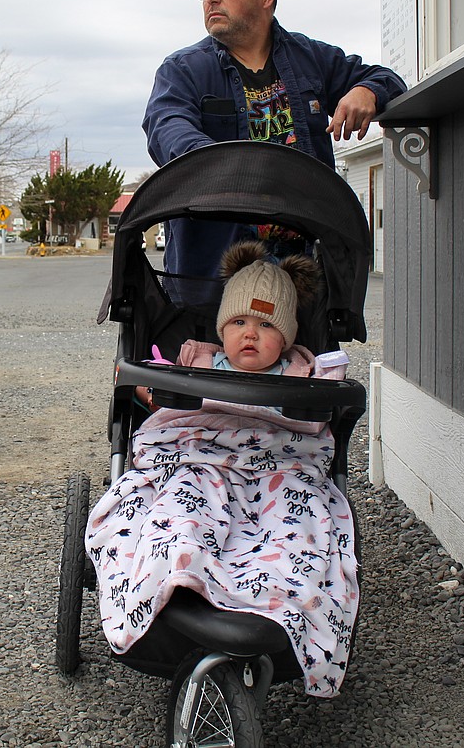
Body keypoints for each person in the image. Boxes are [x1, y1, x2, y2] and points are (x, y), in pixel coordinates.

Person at [87, 241, 357, 697]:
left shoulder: (300, 371)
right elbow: (159, 403)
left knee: (297, 525)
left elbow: (319, 417)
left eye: (266, 324)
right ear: (221, 326)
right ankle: (178, 572)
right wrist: (145, 392)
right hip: (196, 458)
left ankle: (279, 596)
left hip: (279, 466)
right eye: (238, 322)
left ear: (289, 336)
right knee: (182, 509)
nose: (249, 334)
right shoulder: (197, 359)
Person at [143, 0, 407, 279]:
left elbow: (387, 78)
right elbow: (166, 126)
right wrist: (224, 164)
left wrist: (366, 90)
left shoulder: (310, 58)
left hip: (303, 267)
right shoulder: (182, 70)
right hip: (216, 271)